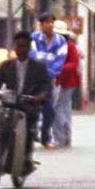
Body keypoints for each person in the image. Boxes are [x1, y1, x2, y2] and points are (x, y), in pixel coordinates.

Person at [0, 30, 51, 173]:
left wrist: (39, 97)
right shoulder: (6, 65)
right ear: (14, 47)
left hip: (28, 105)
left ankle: (26, 157)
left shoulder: (38, 67)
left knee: (28, 128)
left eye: (24, 46)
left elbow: (46, 86)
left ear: (29, 47)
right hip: (9, 103)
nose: (20, 49)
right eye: (18, 46)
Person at [31, 11, 67, 149]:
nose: (50, 25)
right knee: (29, 107)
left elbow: (59, 62)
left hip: (48, 81)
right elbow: (32, 56)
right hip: (33, 79)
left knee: (48, 110)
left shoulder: (61, 41)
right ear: (41, 25)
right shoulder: (33, 38)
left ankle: (46, 138)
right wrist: (47, 59)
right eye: (46, 22)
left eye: (52, 22)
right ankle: (29, 134)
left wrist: (46, 69)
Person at [52, 20, 80, 149]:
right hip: (57, 80)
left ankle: (61, 138)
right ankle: (65, 137)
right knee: (64, 108)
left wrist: (59, 67)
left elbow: (74, 63)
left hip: (67, 81)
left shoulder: (70, 46)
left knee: (59, 109)